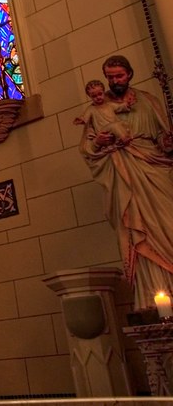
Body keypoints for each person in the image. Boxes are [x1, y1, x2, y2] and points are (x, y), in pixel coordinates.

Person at [77, 56, 173, 309]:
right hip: (123, 173)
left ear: (129, 74)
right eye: (109, 77)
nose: (114, 81)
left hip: (153, 168)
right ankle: (153, 300)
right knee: (137, 229)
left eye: (119, 76)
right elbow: (86, 148)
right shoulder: (98, 106)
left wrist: (166, 143)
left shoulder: (148, 101)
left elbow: (162, 138)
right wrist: (98, 142)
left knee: (167, 223)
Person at [74, 79, 132, 150]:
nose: (98, 97)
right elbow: (85, 117)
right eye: (94, 96)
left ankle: (121, 139)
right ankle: (124, 138)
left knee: (124, 123)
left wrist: (127, 104)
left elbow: (120, 107)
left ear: (104, 92)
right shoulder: (91, 109)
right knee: (114, 126)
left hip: (114, 129)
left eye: (100, 94)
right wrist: (81, 120)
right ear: (90, 97)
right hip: (104, 131)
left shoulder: (109, 105)